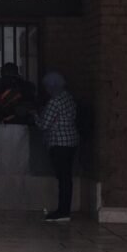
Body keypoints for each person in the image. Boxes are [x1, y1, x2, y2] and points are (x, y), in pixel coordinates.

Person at [33, 72, 79, 222]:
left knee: (62, 178)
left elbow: (44, 124)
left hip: (58, 143)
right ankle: (65, 209)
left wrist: (34, 115)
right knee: (67, 178)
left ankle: (63, 211)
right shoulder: (68, 98)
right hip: (71, 141)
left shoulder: (54, 102)